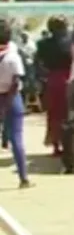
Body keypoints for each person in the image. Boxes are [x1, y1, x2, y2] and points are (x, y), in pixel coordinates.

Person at [35, 16, 73, 156]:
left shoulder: (42, 44)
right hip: (68, 78)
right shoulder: (69, 43)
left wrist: (43, 79)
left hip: (52, 80)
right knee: (68, 113)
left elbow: (38, 64)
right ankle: (68, 144)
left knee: (54, 114)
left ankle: (56, 145)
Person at [0, 21, 31, 188]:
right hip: (12, 98)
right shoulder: (12, 57)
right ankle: (23, 177)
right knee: (17, 138)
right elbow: (16, 80)